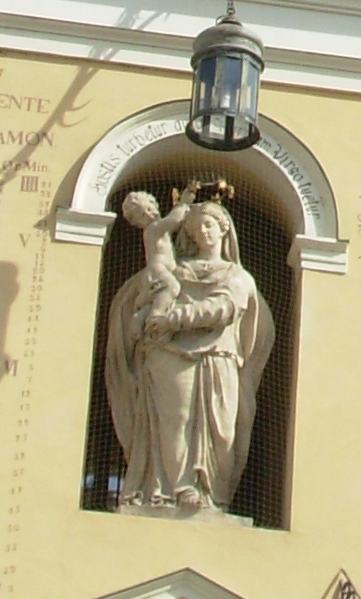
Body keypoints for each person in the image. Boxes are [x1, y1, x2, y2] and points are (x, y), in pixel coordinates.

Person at [104, 181, 273, 513]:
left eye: (209, 225)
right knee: (175, 421)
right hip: (169, 354)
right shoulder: (177, 270)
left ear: (224, 229)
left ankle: (212, 494)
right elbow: (148, 293)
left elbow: (224, 308)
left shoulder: (238, 277)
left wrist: (173, 319)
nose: (203, 233)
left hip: (219, 356)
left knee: (222, 432)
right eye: (196, 229)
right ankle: (176, 490)